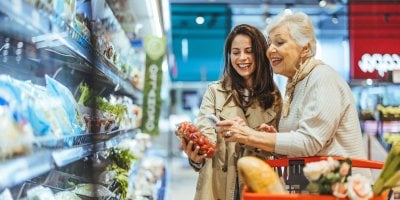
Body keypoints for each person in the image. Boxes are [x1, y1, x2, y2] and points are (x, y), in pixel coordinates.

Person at [217, 11, 371, 179]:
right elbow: (301, 149)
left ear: (305, 48)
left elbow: (310, 142)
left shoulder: (322, 78)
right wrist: (270, 138)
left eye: (280, 42)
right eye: (270, 43)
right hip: (314, 188)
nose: (270, 50)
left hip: (343, 189)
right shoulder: (296, 85)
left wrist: (249, 135)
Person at [181, 24, 282, 200]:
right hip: (215, 187)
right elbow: (204, 135)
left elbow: (279, 147)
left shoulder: (274, 98)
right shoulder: (214, 92)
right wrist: (196, 157)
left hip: (254, 188)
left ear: (259, 53)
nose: (242, 58)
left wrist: (261, 138)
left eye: (249, 51)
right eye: (236, 52)